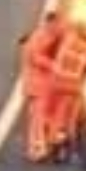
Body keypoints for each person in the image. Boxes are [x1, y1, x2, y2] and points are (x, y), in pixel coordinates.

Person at [43, 22, 86, 164]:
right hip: (73, 85)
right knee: (72, 119)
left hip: (55, 82)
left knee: (52, 115)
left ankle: (52, 143)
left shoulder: (69, 38)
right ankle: (65, 143)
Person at [19, 12, 66, 163]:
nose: (61, 27)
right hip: (37, 86)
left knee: (49, 119)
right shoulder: (40, 37)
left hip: (49, 87)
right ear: (51, 23)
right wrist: (54, 66)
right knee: (38, 120)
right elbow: (34, 56)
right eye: (58, 24)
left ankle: (49, 146)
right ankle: (37, 150)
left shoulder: (55, 36)